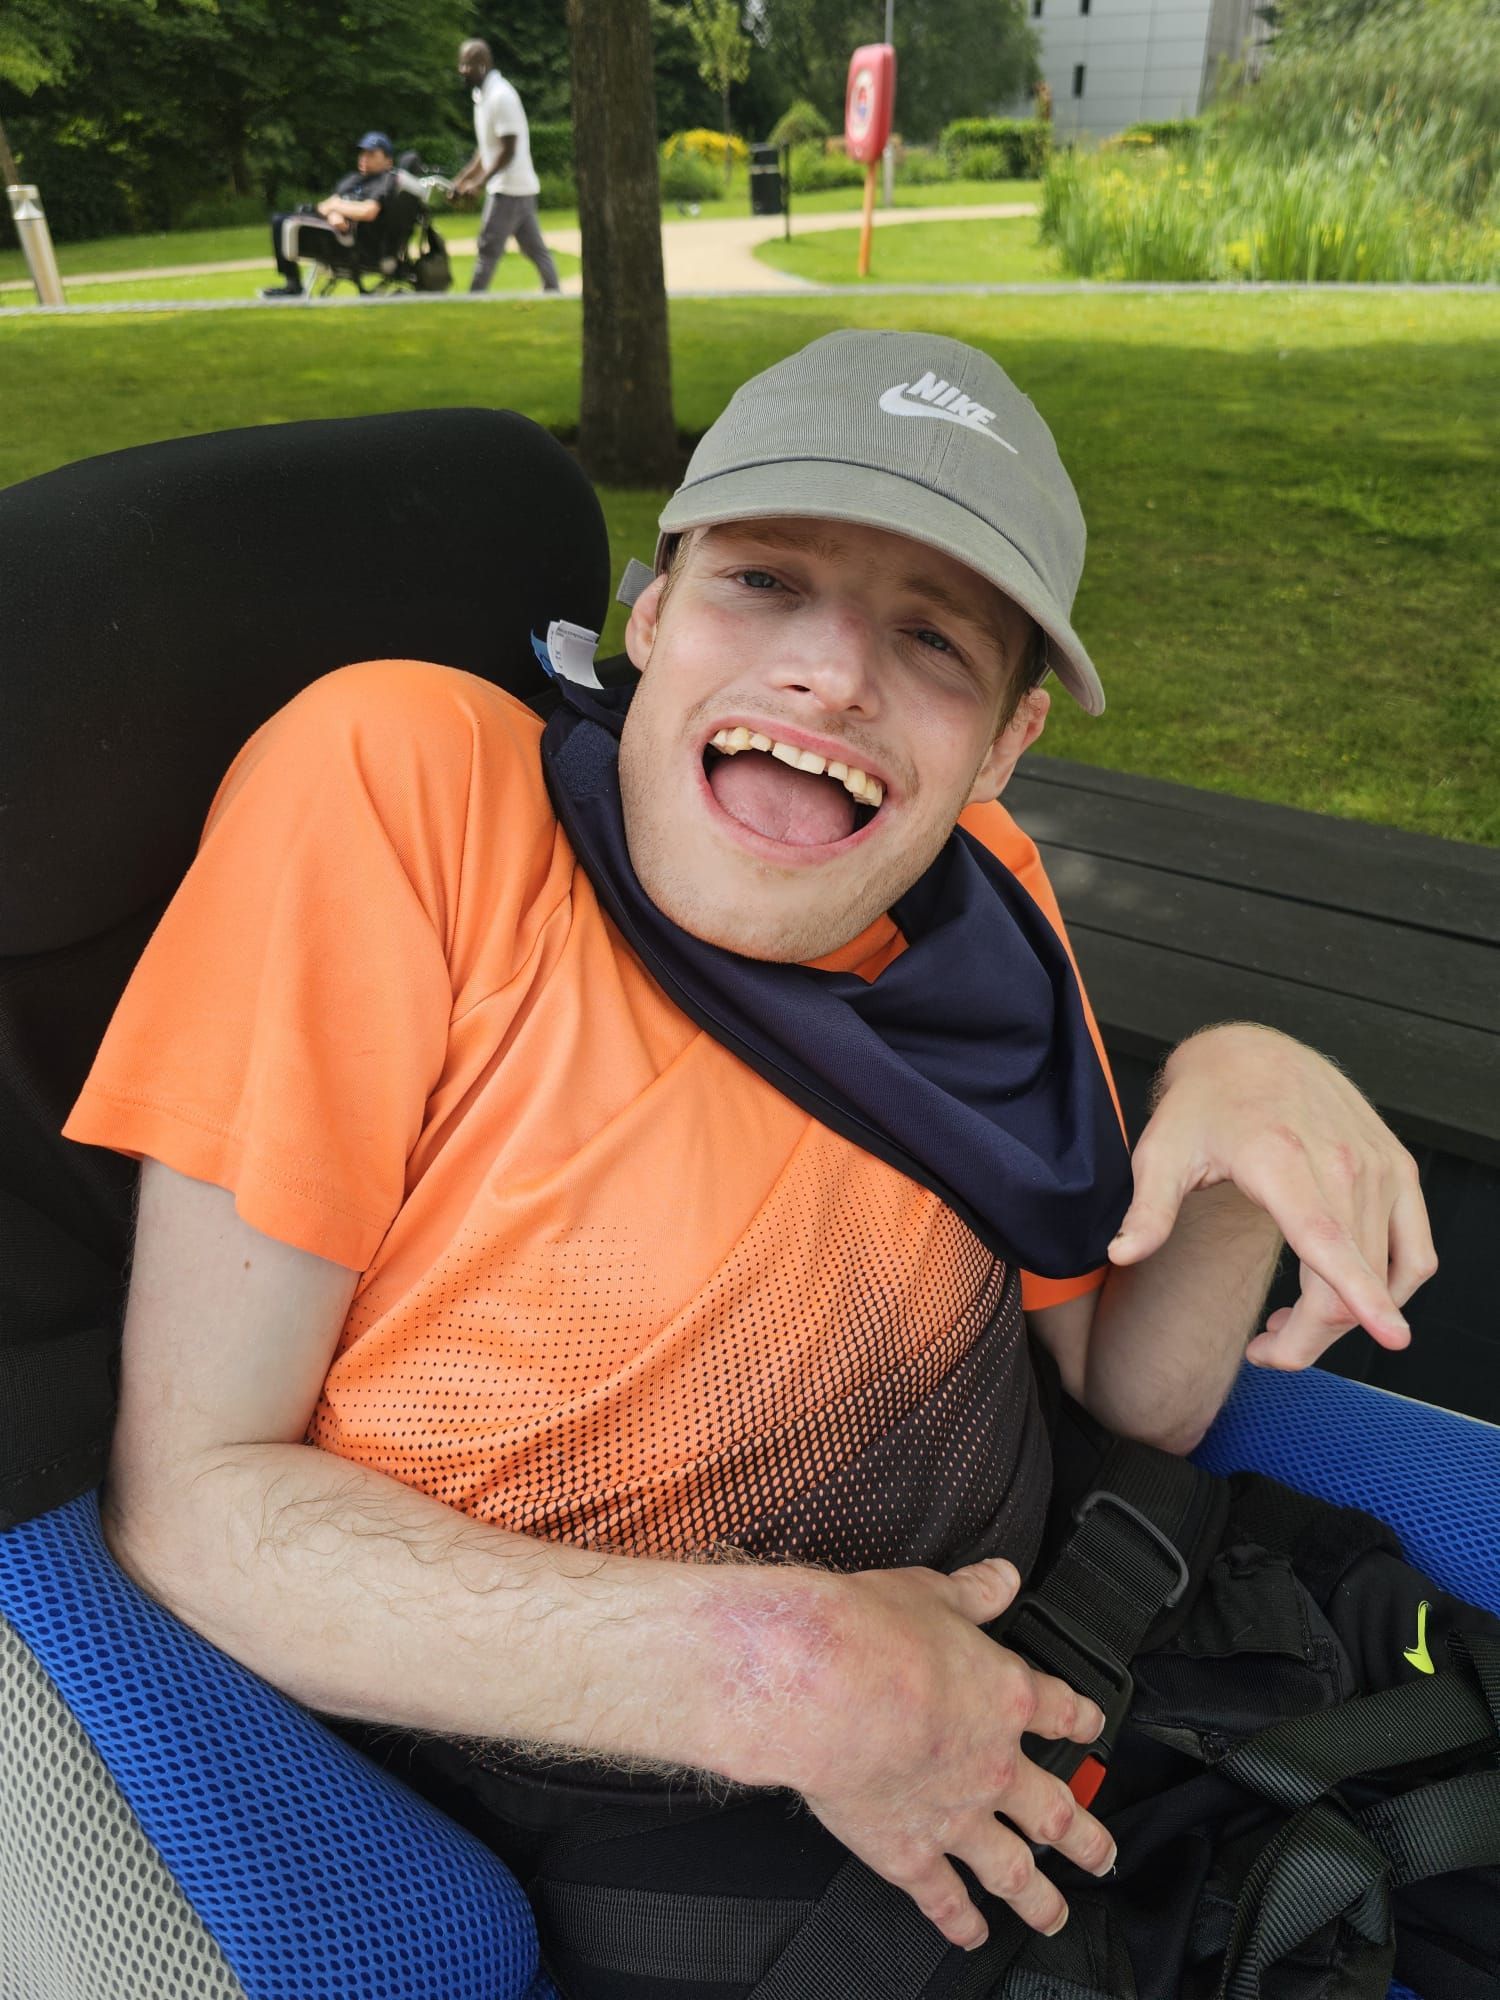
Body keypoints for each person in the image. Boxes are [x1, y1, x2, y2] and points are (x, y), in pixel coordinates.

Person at [66, 331, 1434, 1989]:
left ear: (1001, 748)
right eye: (767, 578)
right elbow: (190, 1508)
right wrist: (772, 1671)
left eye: (933, 638)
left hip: (1126, 1641)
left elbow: (1130, 1392)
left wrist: (1240, 1104)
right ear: (652, 614)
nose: (832, 674)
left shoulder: (982, 906)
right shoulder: (404, 786)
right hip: (694, 1807)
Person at [452, 38, 560, 295]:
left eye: (466, 64)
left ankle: (473, 302)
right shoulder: (482, 95)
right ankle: (554, 292)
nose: (461, 70)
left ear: (482, 65)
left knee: (487, 247)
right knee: (534, 248)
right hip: (518, 187)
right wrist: (462, 179)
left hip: (509, 188)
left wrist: (478, 183)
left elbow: (507, 150)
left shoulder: (501, 96)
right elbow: (486, 149)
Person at [261, 131, 398, 300]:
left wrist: (337, 207)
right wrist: (335, 211)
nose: (364, 158)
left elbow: (368, 211)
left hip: (355, 241)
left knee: (285, 223)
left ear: (388, 161)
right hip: (333, 226)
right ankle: (292, 283)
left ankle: (293, 288)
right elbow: (325, 205)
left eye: (371, 154)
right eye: (362, 153)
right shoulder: (352, 179)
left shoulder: (385, 180)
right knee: (280, 220)